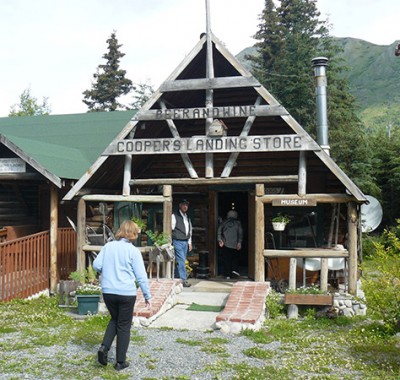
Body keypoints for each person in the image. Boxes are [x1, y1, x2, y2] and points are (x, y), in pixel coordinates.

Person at [93, 220, 151, 371]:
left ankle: (104, 348)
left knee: (115, 319)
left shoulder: (108, 246)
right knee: (124, 325)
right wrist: (147, 295)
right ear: (133, 234)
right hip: (126, 293)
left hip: (108, 291)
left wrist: (108, 271)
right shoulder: (133, 251)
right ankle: (120, 362)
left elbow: (96, 265)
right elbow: (141, 276)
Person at [171, 199, 193, 287]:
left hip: (185, 242)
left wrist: (189, 242)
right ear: (180, 205)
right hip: (178, 241)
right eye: (183, 205)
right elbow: (170, 228)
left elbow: (189, 231)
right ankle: (183, 280)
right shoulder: (174, 216)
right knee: (181, 261)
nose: (185, 206)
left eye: (186, 205)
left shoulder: (187, 217)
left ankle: (177, 277)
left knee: (181, 261)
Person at [217, 210, 243, 279]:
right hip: (234, 244)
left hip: (226, 244)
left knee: (226, 259)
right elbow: (240, 233)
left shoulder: (224, 223)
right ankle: (234, 271)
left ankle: (228, 274)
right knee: (234, 259)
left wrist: (220, 240)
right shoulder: (238, 223)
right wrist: (239, 242)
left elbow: (219, 231)